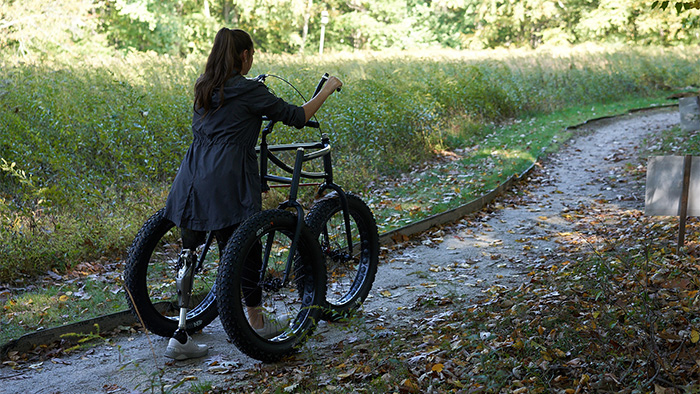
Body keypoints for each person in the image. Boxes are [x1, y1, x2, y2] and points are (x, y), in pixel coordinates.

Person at [162, 27, 343, 360]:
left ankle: (180, 333)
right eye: (252, 54)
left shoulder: (204, 87)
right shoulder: (248, 91)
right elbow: (297, 116)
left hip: (191, 174)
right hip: (228, 177)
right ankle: (256, 322)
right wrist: (328, 89)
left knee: (189, 252)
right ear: (244, 56)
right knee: (247, 248)